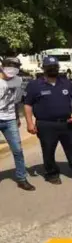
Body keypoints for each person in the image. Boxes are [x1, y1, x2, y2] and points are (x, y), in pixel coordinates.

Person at [24, 56, 72, 184]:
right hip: (45, 124)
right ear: (43, 68)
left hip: (67, 122)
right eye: (49, 67)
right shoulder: (34, 85)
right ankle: (52, 174)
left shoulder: (65, 82)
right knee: (48, 150)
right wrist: (29, 123)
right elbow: (27, 105)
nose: (52, 69)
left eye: (55, 67)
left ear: (58, 68)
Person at [0, 58, 35, 191]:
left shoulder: (18, 81)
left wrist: (16, 117)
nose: (12, 68)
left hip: (10, 120)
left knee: (18, 150)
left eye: (16, 66)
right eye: (9, 65)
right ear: (3, 66)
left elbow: (16, 101)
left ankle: (21, 178)